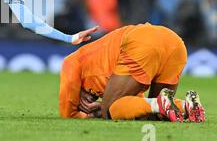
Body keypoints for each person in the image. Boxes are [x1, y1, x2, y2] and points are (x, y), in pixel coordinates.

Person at [59, 23, 205, 122]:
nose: (87, 102)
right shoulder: (104, 68)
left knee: (110, 110)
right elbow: (135, 106)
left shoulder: (72, 61)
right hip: (175, 44)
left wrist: (101, 108)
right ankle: (188, 106)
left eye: (83, 100)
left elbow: (68, 114)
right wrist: (100, 108)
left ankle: (167, 104)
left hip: (143, 41)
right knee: (156, 114)